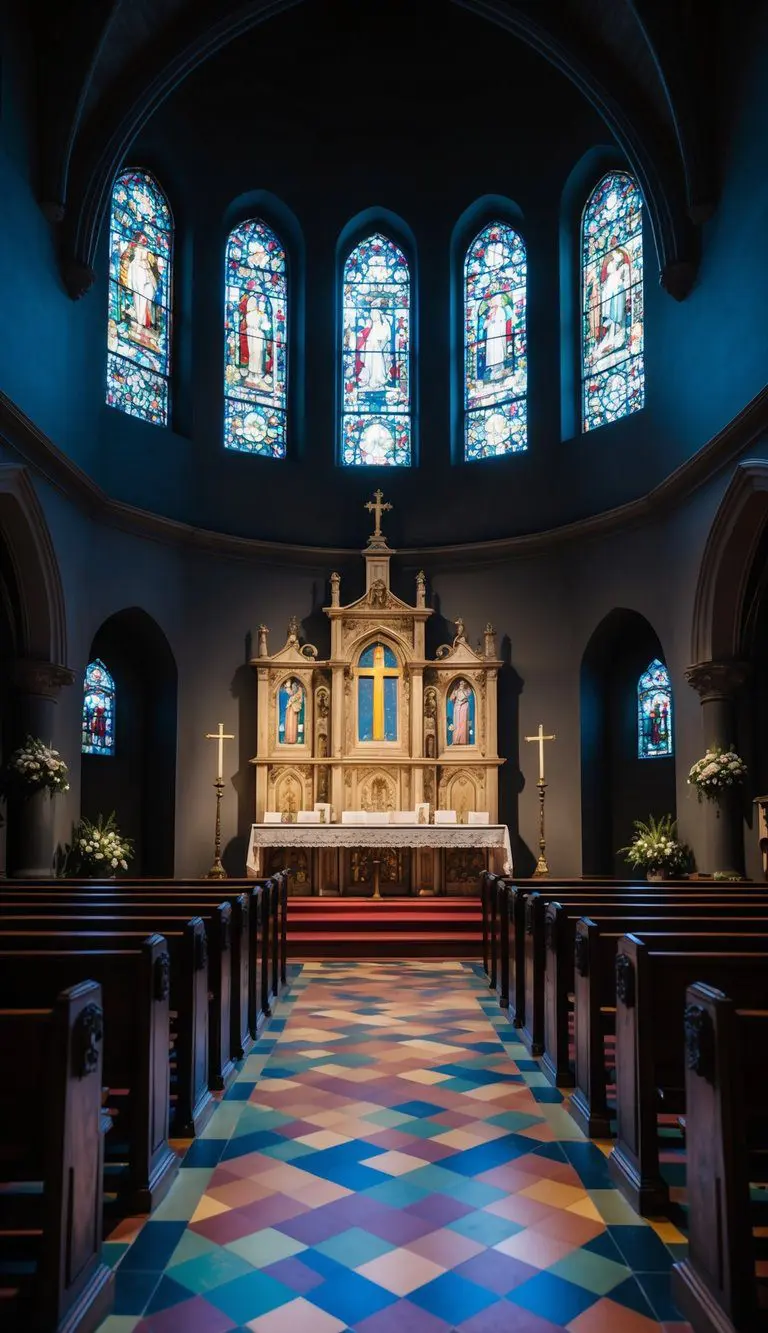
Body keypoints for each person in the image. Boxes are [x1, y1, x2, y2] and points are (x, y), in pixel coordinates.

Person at [356, 306, 393, 392]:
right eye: (372, 314)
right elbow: (366, 334)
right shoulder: (370, 325)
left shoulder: (383, 325)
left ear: (379, 315)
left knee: (377, 365)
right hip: (369, 348)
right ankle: (369, 381)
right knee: (369, 364)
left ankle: (378, 380)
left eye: (375, 314)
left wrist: (379, 345)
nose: (373, 316)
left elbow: (386, 337)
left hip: (377, 349)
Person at [449, 680, 472, 745]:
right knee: (457, 723)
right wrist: (457, 691)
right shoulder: (456, 690)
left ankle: (462, 741)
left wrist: (462, 690)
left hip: (464, 705)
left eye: (463, 682)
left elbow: (468, 694)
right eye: (460, 682)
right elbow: (451, 698)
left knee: (463, 723)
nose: (461, 683)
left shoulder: (467, 689)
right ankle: (456, 740)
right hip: (457, 706)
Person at [283, 679, 304, 744]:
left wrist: (291, 700)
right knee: (289, 723)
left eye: (294, 687)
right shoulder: (292, 695)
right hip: (290, 709)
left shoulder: (298, 693)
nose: (293, 689)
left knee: (292, 723)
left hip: (294, 709)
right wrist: (287, 686)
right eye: (292, 687)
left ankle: (292, 739)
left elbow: (297, 697)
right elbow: (290, 693)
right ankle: (288, 739)